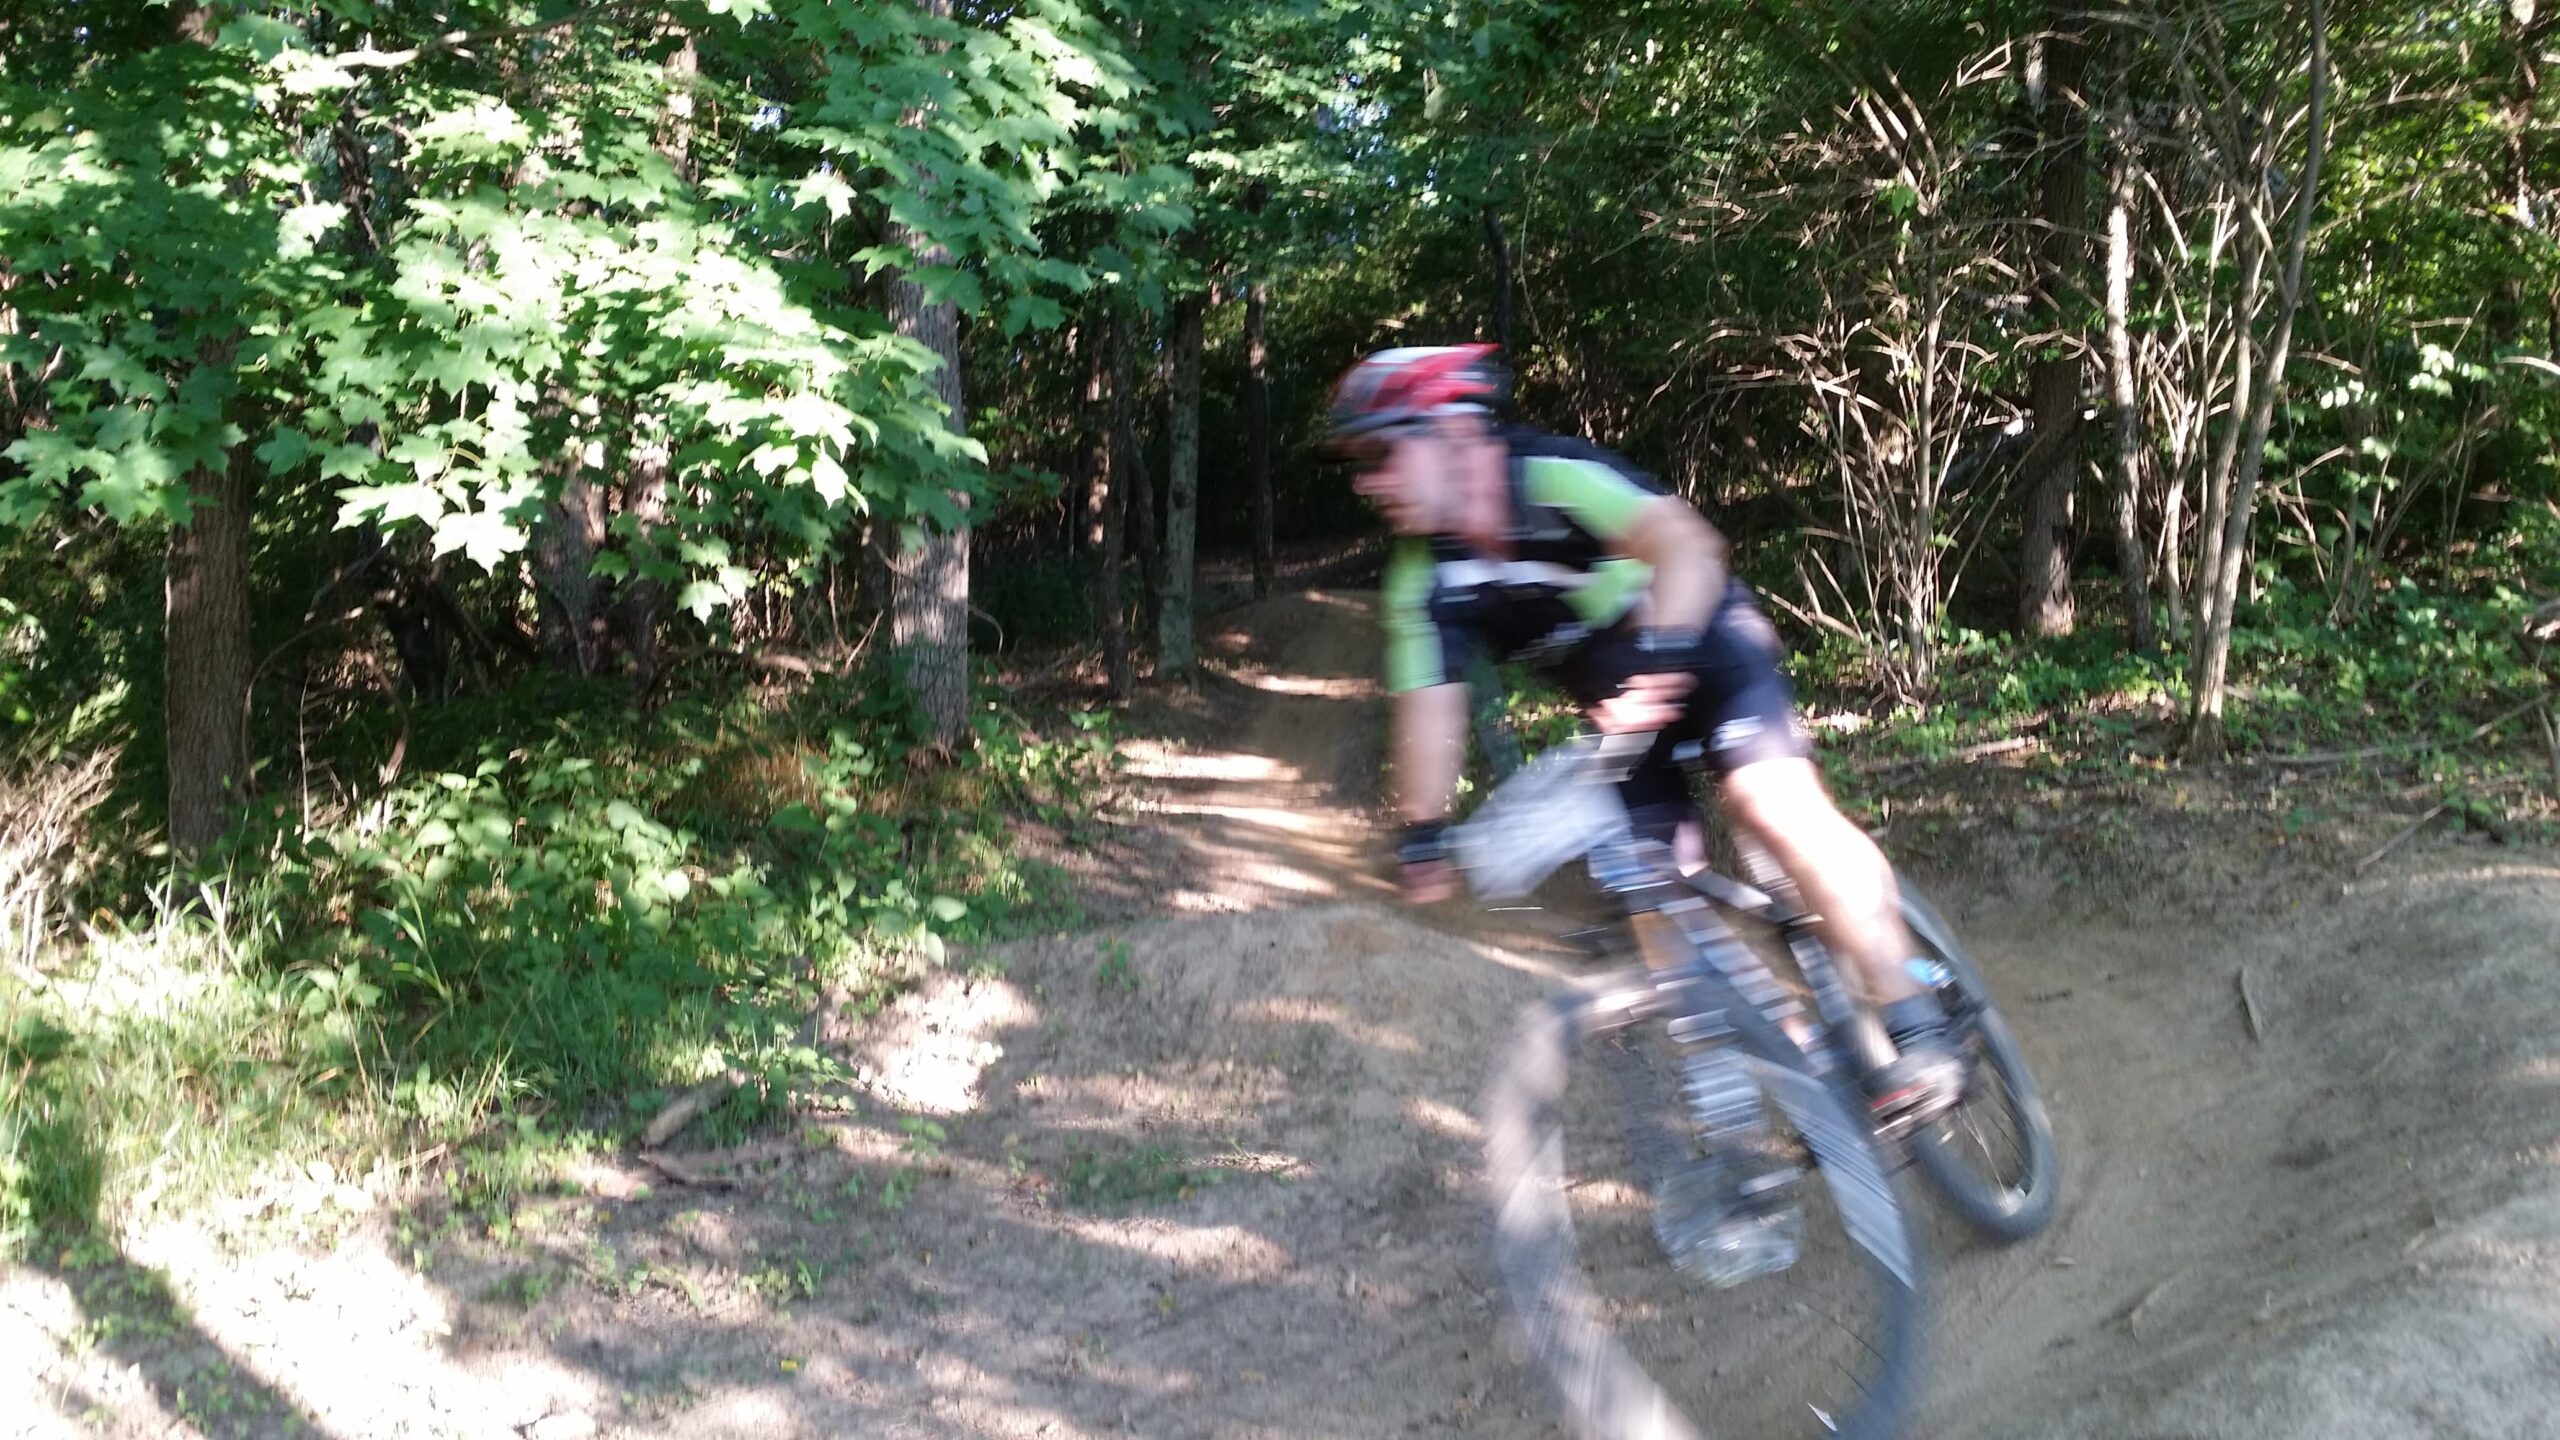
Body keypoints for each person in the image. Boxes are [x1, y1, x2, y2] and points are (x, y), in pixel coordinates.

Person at [1321, 344, 1963, 1124]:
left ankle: (1917, 1019)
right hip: (1620, 713)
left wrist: (1662, 658)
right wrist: (1423, 830)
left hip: (1701, 643)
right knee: (1655, 897)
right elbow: (1429, 704)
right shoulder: (1424, 578)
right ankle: (1805, 1077)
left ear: (1454, 430)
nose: (1367, 483)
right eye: (1357, 465)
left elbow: (1687, 548)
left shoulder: (1552, 476)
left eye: (1381, 454)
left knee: (1770, 804)